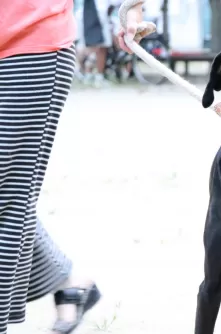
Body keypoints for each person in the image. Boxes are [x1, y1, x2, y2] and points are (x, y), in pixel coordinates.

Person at [0, 0, 153, 333]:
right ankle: (70, 282)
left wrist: (133, 9)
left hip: (28, 44)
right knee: (11, 193)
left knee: (7, 196)